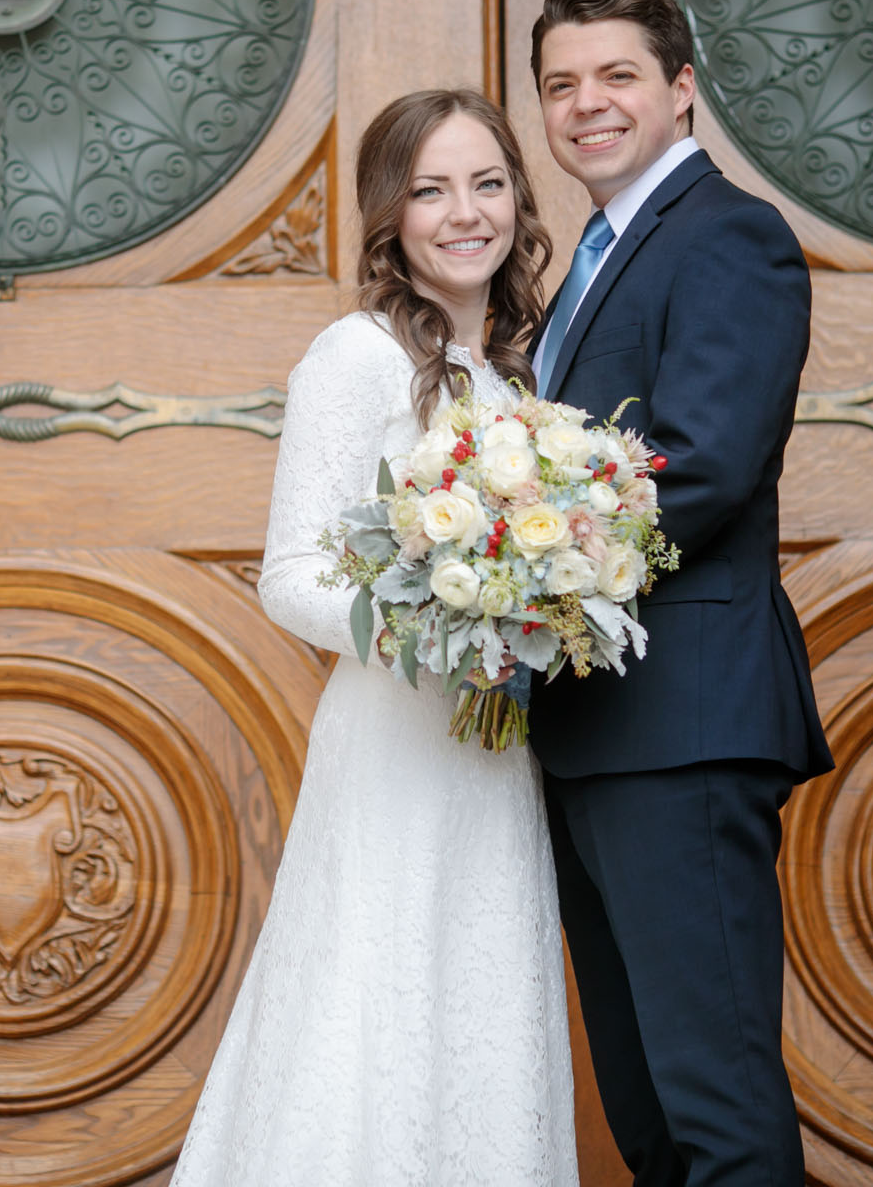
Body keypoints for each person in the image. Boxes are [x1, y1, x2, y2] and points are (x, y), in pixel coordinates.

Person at [171, 88, 577, 1186]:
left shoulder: (506, 372)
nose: (464, 213)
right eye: (431, 189)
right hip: (396, 742)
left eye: (487, 184)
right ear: (389, 214)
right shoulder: (352, 357)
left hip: (492, 755)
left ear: (518, 201)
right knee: (377, 998)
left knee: (477, 993)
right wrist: (447, 623)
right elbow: (292, 577)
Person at [524, 0, 834, 1186]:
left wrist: (512, 579)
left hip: (683, 730)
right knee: (648, 1114)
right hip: (594, 730)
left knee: (715, 1108)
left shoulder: (729, 236)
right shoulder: (591, 260)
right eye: (561, 84)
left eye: (616, 77)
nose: (586, 104)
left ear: (682, 90)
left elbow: (699, 468)